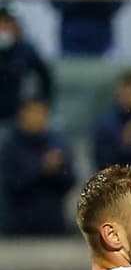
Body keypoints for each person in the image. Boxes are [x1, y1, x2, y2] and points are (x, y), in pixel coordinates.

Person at [1, 99, 76, 235]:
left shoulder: (57, 144)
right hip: (19, 227)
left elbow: (69, 182)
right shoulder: (11, 147)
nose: (38, 118)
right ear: (22, 115)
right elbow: (11, 184)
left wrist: (57, 170)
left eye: (42, 114)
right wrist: (41, 169)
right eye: (33, 113)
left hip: (53, 225)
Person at [0, 5, 54, 120]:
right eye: (1, 23)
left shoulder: (25, 50)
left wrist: (39, 104)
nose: (4, 28)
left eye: (8, 22)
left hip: (18, 113)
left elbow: (45, 78)